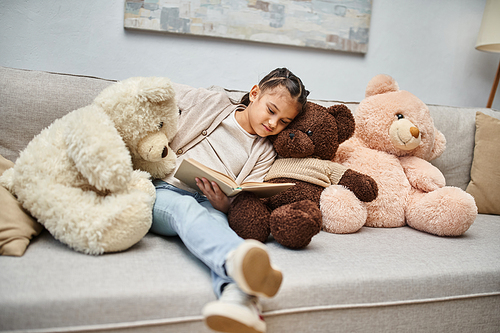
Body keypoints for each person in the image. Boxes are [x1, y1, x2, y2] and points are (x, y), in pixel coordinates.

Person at [150, 68, 309, 333]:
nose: (273, 124)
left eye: (283, 122)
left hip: (209, 203)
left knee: (218, 224)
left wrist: (224, 204)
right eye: (271, 110)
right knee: (185, 208)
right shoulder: (214, 103)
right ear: (255, 93)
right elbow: (160, 90)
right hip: (166, 191)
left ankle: (238, 302)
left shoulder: (264, 151)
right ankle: (235, 261)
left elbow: (245, 193)